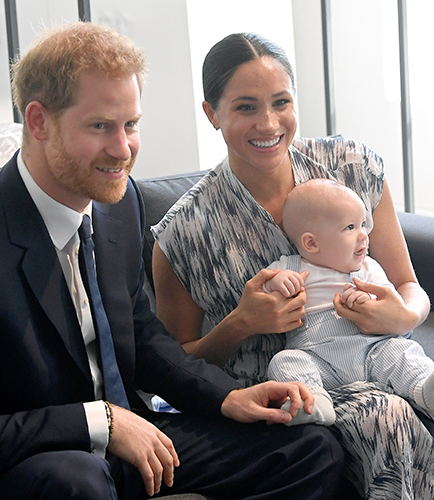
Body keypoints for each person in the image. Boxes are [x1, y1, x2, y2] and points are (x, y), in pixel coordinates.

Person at [0, 22, 346, 500]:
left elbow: (143, 337)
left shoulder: (118, 203)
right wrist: (100, 421)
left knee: (310, 448)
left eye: (131, 124)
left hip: (134, 435)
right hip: (43, 464)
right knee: (78, 484)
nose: (123, 148)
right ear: (39, 121)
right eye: (100, 126)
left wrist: (227, 396)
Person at [151, 32, 434, 499]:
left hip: (380, 357)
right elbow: (173, 367)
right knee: (385, 415)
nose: (269, 123)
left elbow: (409, 284)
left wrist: (405, 315)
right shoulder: (183, 233)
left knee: (400, 392)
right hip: (288, 394)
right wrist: (239, 324)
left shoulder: (351, 168)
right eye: (245, 107)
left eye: (281, 102)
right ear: (211, 113)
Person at [261, 178, 434, 427]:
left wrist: (368, 301)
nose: (364, 235)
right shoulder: (290, 267)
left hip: (372, 351)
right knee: (285, 361)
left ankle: (423, 389)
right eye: (350, 227)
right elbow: (262, 288)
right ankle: (315, 402)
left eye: (363, 224)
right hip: (319, 359)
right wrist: (278, 282)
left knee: (401, 352)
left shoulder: (368, 268)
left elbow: (390, 302)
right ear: (311, 243)